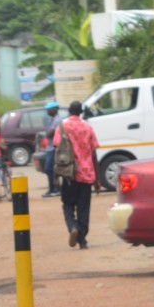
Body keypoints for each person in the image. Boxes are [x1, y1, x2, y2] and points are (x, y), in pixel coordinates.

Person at [55, 100, 99, 248]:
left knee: (67, 204)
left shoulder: (62, 127)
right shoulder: (88, 128)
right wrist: (97, 180)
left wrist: (55, 176)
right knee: (83, 207)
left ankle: (72, 227)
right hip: (86, 174)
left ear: (69, 111)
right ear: (81, 112)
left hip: (69, 174)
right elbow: (94, 155)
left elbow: (57, 150)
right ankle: (83, 240)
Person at [41, 101, 63, 197]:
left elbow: (50, 133)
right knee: (51, 169)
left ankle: (54, 189)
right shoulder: (54, 119)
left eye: (49, 110)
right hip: (51, 147)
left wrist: (48, 133)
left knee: (49, 169)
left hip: (54, 148)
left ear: (54, 110)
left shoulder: (57, 120)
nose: (47, 112)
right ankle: (53, 188)